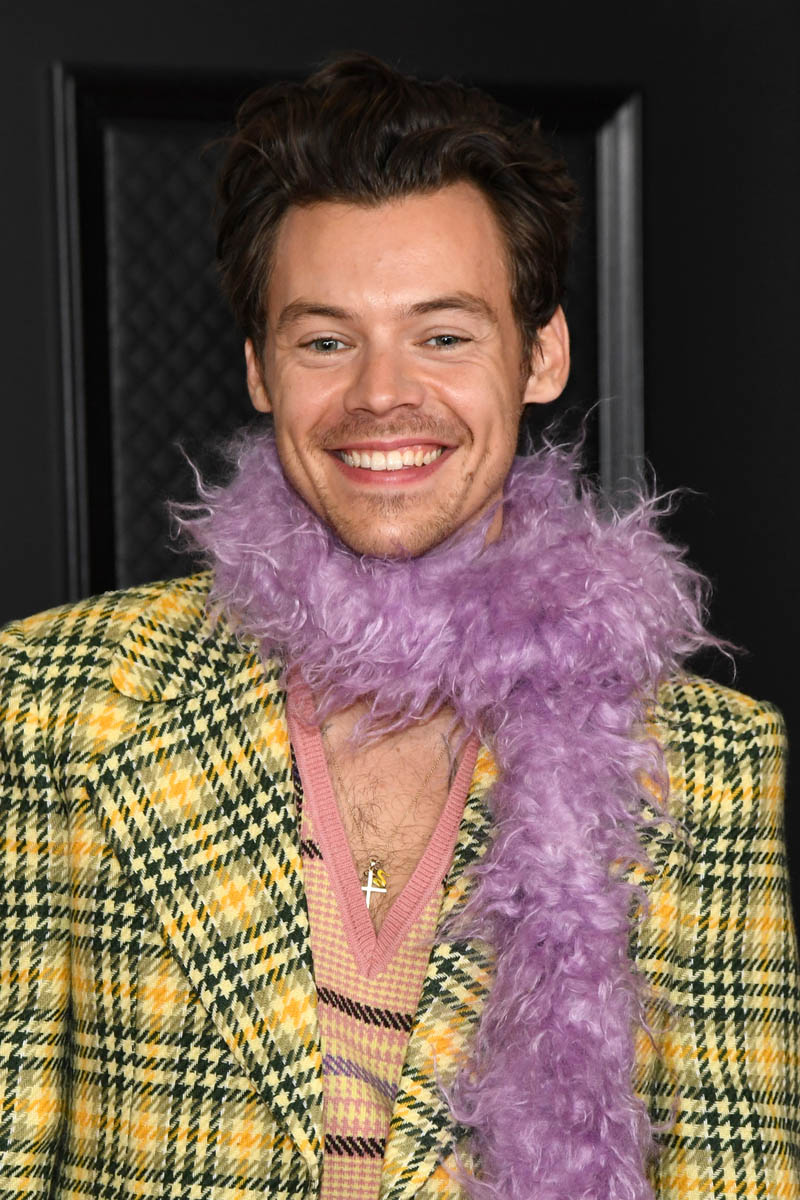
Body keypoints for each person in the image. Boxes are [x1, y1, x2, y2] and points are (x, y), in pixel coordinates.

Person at [0, 53, 797, 1200]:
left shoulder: (707, 767)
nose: (381, 395)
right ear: (261, 371)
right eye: (326, 340)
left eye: (443, 336)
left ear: (539, 355)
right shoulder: (49, 704)